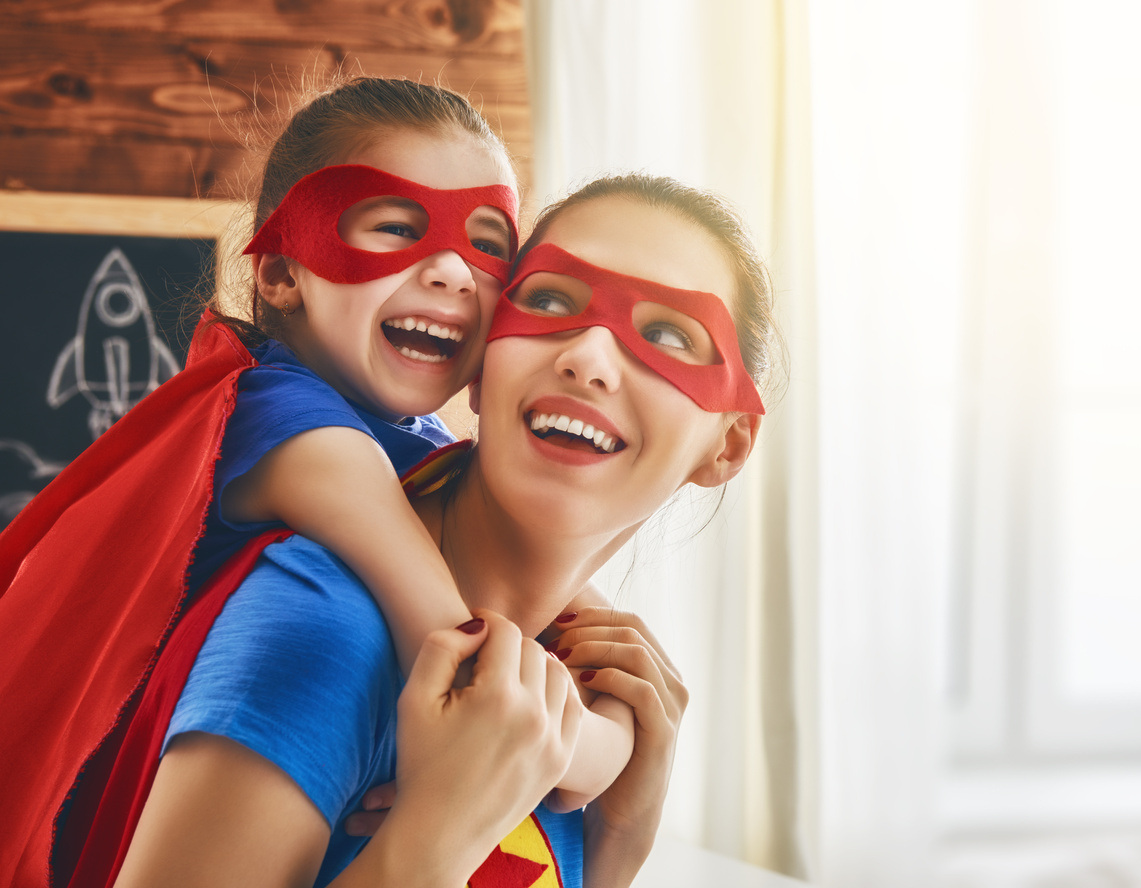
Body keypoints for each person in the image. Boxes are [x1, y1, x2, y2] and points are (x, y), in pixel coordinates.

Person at [0, 77, 625, 886]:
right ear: (282, 274)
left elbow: (556, 607)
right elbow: (463, 659)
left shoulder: (423, 445)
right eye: (397, 227)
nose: (453, 272)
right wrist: (613, 745)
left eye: (489, 244)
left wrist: (609, 685)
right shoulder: (287, 423)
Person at [97, 171, 782, 887]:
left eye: (670, 334)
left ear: (728, 445)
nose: (587, 358)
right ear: (484, 368)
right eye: (549, 299)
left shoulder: (584, 684)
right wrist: (430, 841)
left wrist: (618, 846)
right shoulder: (324, 626)